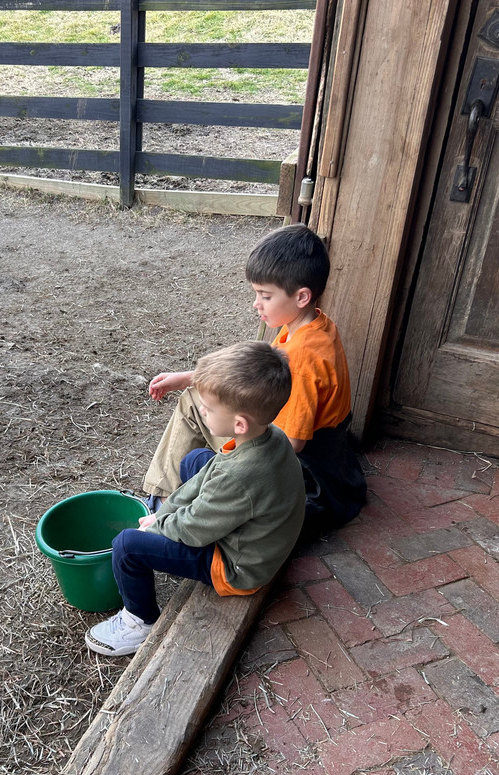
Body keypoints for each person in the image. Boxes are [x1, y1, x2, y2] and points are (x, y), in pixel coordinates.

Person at [142, 223, 367, 538]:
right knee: (196, 396)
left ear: (301, 296)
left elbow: (291, 443)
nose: (256, 304)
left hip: (303, 480)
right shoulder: (311, 326)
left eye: (265, 295)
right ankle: (163, 498)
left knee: (195, 406)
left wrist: (233, 447)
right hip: (327, 467)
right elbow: (254, 381)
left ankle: (160, 503)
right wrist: (192, 377)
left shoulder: (302, 358)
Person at [85, 341, 305, 656]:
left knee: (126, 546)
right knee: (196, 459)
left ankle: (139, 621)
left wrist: (159, 527)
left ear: (239, 423)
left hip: (237, 568)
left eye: (208, 408)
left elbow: (192, 530)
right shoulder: (271, 436)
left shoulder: (239, 476)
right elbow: (207, 473)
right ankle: (160, 525)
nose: (200, 409)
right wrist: (164, 514)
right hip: (259, 537)